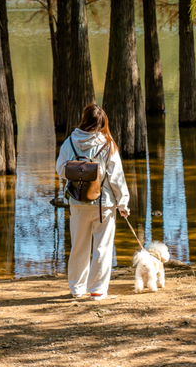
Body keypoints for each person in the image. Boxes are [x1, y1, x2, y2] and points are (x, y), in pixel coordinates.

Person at [56, 103, 130, 300]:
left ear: (84, 119)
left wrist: (78, 171)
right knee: (102, 248)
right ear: (101, 124)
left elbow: (60, 170)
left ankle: (76, 289)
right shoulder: (108, 145)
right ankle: (97, 290)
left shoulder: (69, 142)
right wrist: (123, 204)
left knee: (78, 246)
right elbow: (116, 179)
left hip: (77, 202)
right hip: (103, 205)